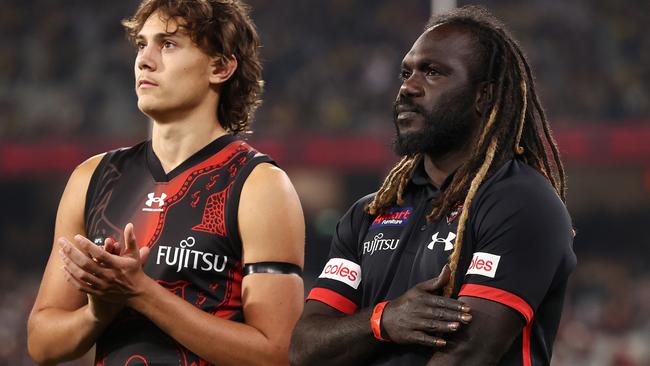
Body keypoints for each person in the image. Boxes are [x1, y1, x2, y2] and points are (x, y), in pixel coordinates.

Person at [290, 5, 576, 366]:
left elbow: (468, 353)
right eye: (406, 72)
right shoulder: (370, 213)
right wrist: (384, 319)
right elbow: (305, 347)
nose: (408, 87)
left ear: (484, 96)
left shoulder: (522, 202)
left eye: (433, 72)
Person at [27, 1, 305, 365]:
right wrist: (98, 312)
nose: (144, 60)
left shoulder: (260, 186)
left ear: (220, 66)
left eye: (168, 44)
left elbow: (279, 354)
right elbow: (42, 344)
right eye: (142, 44)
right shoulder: (92, 178)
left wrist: (140, 293)